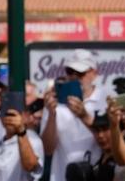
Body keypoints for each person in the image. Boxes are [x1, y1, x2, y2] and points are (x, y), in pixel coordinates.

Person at [43, 50, 109, 180]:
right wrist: (51, 115)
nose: (74, 77)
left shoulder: (105, 100)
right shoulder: (55, 103)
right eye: (69, 72)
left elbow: (109, 143)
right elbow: (48, 149)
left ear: (94, 73)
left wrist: (84, 115)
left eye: (80, 73)